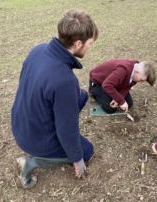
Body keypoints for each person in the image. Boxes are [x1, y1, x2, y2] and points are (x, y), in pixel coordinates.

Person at [11, 9, 99, 188]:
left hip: (21, 123)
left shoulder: (39, 50)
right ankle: (32, 162)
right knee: (87, 151)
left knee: (80, 96)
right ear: (78, 43)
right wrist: (77, 158)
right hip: (34, 138)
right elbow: (67, 130)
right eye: (90, 43)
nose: (90, 47)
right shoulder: (64, 81)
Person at [89, 59, 156, 113]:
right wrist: (121, 101)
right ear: (137, 71)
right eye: (141, 80)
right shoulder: (123, 70)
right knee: (110, 109)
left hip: (114, 82)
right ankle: (93, 91)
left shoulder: (136, 74)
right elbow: (107, 85)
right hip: (98, 82)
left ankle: (112, 93)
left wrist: (117, 99)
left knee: (128, 104)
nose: (141, 82)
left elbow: (127, 86)